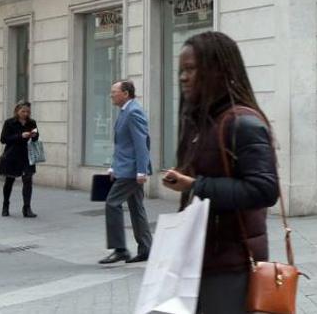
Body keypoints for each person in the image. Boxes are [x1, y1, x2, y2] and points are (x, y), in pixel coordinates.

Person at [162, 31, 279, 314]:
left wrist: (196, 185)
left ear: (217, 70)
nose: (183, 77)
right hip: (199, 258)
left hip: (232, 263)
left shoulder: (243, 122)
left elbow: (265, 190)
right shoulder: (201, 120)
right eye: (181, 70)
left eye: (191, 69)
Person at [98, 80, 153, 265]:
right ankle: (146, 249)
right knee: (137, 208)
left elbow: (141, 143)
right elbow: (123, 144)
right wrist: (114, 166)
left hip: (131, 171)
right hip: (126, 168)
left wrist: (141, 171)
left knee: (112, 203)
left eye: (114, 91)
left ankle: (120, 249)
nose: (111, 95)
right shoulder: (125, 112)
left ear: (126, 94)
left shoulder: (133, 112)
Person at [0, 101, 39, 218]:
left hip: (27, 155)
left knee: (28, 180)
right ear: (17, 111)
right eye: (23, 111)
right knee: (9, 181)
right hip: (13, 155)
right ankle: (5, 205)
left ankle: (27, 208)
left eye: (28, 112)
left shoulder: (32, 122)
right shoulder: (9, 123)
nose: (26, 114)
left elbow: (36, 137)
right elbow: (3, 139)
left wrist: (34, 135)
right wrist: (20, 136)